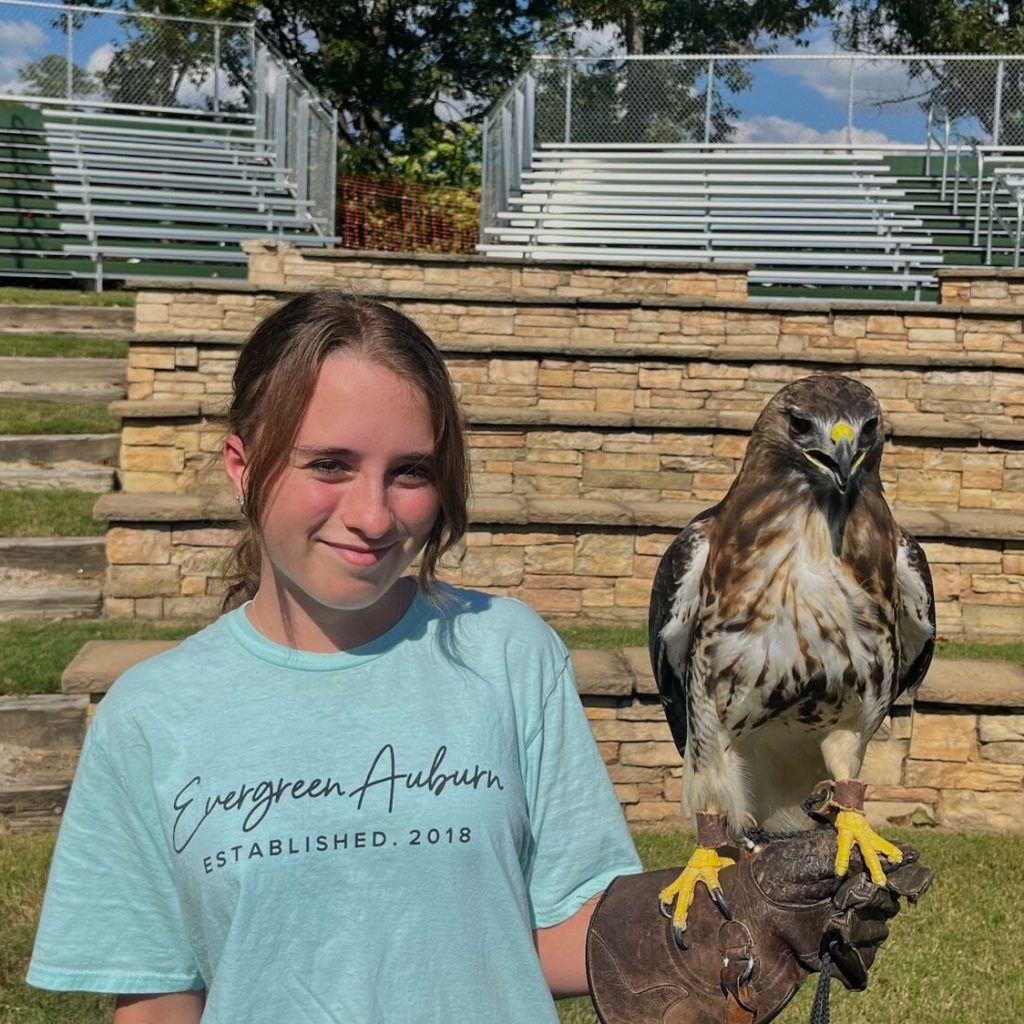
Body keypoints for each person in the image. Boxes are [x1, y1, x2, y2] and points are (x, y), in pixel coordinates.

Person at [27, 293, 643, 1023]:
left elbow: (554, 934)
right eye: (330, 464)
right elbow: (160, 999)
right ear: (241, 465)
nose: (374, 515)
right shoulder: (150, 713)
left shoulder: (509, 653)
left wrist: (727, 929)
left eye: (411, 471)